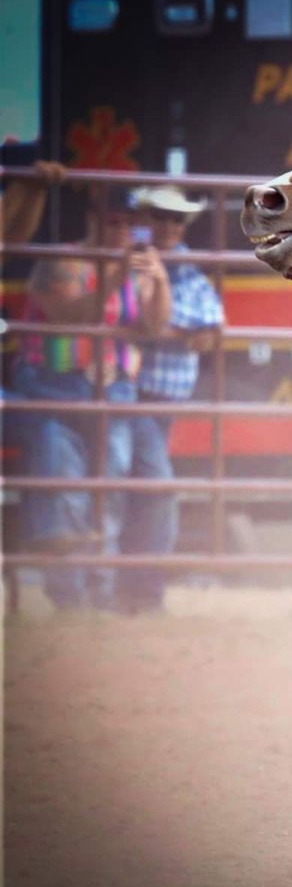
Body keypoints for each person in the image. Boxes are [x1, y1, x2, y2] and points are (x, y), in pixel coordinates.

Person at [8, 186, 173, 611]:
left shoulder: (137, 265)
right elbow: (68, 315)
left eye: (128, 223)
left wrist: (158, 279)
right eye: (113, 222)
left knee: (108, 486)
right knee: (67, 482)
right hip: (51, 385)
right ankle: (70, 593)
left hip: (113, 390)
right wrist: (116, 275)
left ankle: (97, 590)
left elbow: (156, 328)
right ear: (93, 222)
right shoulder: (61, 259)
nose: (122, 231)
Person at [124, 184, 226, 613]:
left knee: (131, 488)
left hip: (156, 400)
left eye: (176, 218)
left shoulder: (185, 269)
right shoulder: (128, 260)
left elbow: (208, 335)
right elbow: (183, 330)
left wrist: (156, 327)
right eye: (160, 216)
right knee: (154, 489)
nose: (168, 226)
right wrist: (173, 330)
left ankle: (123, 588)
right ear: (145, 218)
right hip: (129, 395)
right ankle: (142, 592)